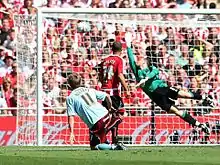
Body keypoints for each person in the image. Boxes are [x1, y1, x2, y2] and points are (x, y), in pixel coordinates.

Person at [126, 44, 214, 134]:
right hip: (156, 97)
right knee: (177, 111)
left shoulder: (151, 68)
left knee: (183, 94)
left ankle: (204, 97)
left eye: (140, 59)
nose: (138, 60)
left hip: (161, 88)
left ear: (145, 62)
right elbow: (130, 58)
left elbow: (155, 72)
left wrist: (146, 78)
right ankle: (200, 125)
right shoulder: (137, 72)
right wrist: (128, 46)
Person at [66, 73, 125, 150]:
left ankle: (113, 146)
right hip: (106, 115)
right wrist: (110, 109)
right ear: (81, 82)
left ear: (69, 85)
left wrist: (72, 132)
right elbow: (107, 96)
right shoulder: (89, 90)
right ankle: (113, 130)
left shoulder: (70, 98)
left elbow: (71, 116)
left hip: (96, 123)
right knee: (99, 139)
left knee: (94, 147)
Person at [97, 41, 130, 145]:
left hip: (104, 92)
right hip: (113, 92)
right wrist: (127, 89)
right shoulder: (119, 60)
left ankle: (114, 139)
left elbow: (100, 76)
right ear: (121, 50)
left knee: (112, 115)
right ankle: (103, 132)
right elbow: (120, 75)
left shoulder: (105, 60)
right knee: (120, 115)